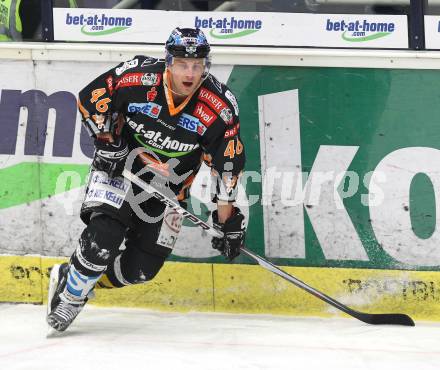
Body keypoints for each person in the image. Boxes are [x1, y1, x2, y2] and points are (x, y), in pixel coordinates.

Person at [46, 27, 246, 332]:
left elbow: (227, 167)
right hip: (120, 168)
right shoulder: (137, 77)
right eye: (182, 64)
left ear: (206, 65)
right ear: (168, 62)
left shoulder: (219, 108)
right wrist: (107, 141)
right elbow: (92, 97)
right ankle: (71, 295)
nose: (190, 72)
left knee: (141, 269)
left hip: (169, 191)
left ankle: (75, 276)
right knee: (105, 236)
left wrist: (225, 221)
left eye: (197, 65)